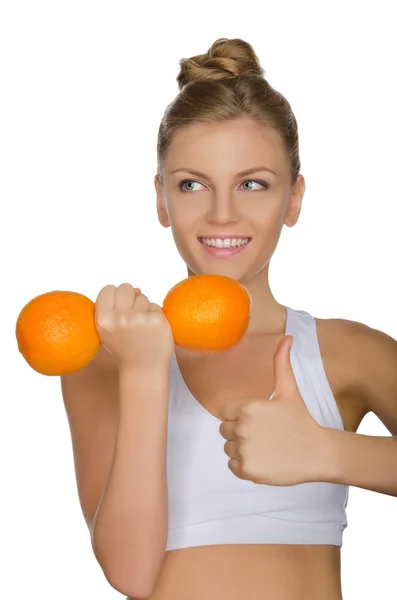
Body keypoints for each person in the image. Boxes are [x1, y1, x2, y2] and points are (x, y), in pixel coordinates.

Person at [61, 38, 397, 600]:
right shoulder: (104, 357)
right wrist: (144, 375)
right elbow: (130, 574)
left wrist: (328, 452)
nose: (221, 213)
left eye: (253, 184)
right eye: (192, 184)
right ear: (161, 199)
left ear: (294, 199)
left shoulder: (347, 352)